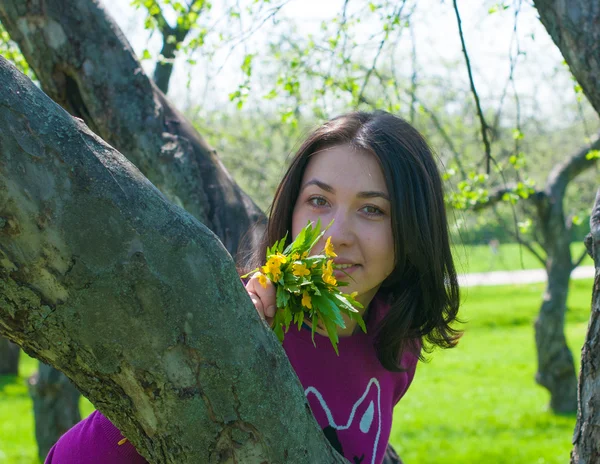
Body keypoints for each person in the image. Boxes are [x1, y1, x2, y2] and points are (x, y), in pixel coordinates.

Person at [45, 111, 462, 464]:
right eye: (319, 201)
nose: (336, 236)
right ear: (292, 208)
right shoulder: (245, 317)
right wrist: (210, 339)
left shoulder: (396, 343)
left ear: (414, 227)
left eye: (372, 210)